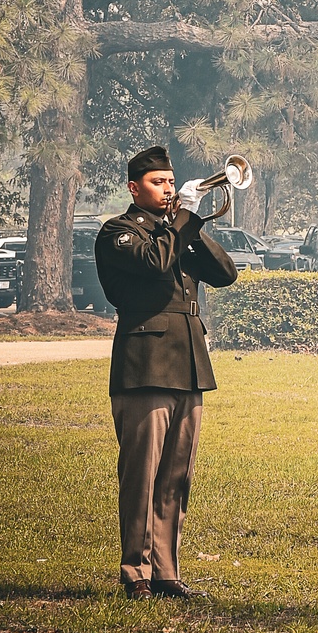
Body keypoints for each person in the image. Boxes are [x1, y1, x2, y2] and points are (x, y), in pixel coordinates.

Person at [95, 146, 238, 600]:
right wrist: (183, 222)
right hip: (145, 367)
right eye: (159, 184)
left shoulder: (176, 232)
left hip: (188, 366)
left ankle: (165, 570)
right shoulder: (119, 232)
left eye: (172, 184)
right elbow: (155, 263)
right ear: (134, 188)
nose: (169, 190)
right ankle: (135, 572)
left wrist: (191, 222)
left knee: (177, 476)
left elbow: (224, 274)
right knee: (141, 475)